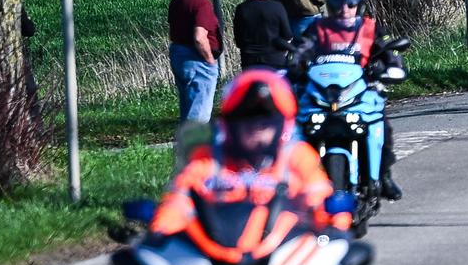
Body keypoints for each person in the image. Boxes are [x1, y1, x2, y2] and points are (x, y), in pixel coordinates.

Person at [150, 68, 351, 237]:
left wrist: (335, 228)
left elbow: (320, 198)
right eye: (246, 119)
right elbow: (179, 201)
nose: (256, 128)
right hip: (218, 257)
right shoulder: (208, 159)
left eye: (266, 120)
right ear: (231, 125)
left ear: (282, 124)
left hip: (285, 259)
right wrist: (159, 232)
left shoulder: (297, 157)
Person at [298, 0, 405, 200]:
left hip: (361, 91)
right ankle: (296, 180)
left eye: (350, 4)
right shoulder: (317, 29)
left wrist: (392, 67)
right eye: (338, 5)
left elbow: (389, 52)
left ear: (359, 5)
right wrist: (293, 67)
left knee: (381, 125)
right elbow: (300, 52)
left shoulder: (370, 28)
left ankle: (383, 176)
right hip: (324, 93)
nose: (344, 10)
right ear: (329, 6)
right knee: (297, 124)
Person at [168, 0, 222, 123]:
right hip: (197, 59)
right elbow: (200, 37)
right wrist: (210, 60)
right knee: (199, 112)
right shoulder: (201, 3)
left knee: (188, 105)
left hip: (179, 54)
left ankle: (185, 143)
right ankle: (194, 145)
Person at [232, 0, 293, 70]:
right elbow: (287, 35)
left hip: (250, 62)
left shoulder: (241, 9)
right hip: (275, 61)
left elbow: (238, 40)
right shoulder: (277, 7)